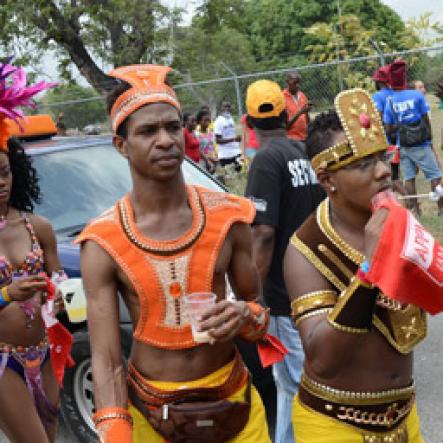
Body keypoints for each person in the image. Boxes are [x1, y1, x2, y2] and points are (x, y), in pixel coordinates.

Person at [76, 64, 273, 443]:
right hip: (151, 414)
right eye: (148, 131)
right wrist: (115, 428)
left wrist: (243, 315)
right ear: (121, 145)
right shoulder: (102, 241)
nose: (165, 139)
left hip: (234, 404)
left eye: (172, 126)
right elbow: (105, 358)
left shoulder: (229, 216)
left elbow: (259, 317)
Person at [284, 88, 425, 442]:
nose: (382, 171)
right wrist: (368, 270)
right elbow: (322, 358)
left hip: (405, 415)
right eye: (363, 164)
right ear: (327, 179)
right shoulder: (306, 249)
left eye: (381, 156)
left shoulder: (394, 220)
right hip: (334, 424)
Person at [245, 79, 325, 443]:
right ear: (284, 112)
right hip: (318, 284)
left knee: (293, 386)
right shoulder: (303, 152)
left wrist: (254, 295)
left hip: (283, 295)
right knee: (297, 383)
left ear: (248, 121)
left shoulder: (265, 161)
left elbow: (262, 233)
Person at [0, 61, 69, 443]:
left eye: (5, 173)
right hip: (2, 358)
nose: (0, 183)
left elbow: (58, 281)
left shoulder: (37, 227)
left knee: (49, 435)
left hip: (42, 350)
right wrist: (7, 293)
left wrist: (56, 299)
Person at [384, 60, 443, 216]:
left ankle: (416, 211)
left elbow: (388, 127)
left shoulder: (390, 101)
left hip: (402, 144)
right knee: (435, 175)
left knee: (409, 178)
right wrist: (428, 137)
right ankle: (441, 209)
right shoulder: (416, 96)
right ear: (404, 79)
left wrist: (400, 127)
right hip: (421, 143)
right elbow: (425, 118)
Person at [371, 65, 407, 197]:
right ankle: (407, 200)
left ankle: (410, 201)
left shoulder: (378, 96)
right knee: (396, 173)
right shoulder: (395, 93)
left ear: (379, 82)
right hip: (399, 138)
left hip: (386, 141)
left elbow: (378, 116)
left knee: (392, 176)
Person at [214, 101, 242, 172]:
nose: (227, 108)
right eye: (225, 106)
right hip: (225, 155)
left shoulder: (231, 119)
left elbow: (232, 135)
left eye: (228, 106)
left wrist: (238, 138)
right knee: (230, 178)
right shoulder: (219, 121)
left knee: (240, 174)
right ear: (221, 108)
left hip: (236, 152)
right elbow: (218, 140)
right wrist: (233, 139)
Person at [283, 71, 311, 142]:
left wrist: (306, 112)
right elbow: (285, 126)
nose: (298, 85)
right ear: (287, 82)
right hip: (291, 139)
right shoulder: (282, 98)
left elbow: (307, 120)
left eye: (299, 82)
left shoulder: (302, 95)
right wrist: (300, 113)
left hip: (304, 137)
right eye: (295, 83)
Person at [195, 108, 217, 173]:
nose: (207, 122)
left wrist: (215, 156)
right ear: (199, 121)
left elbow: (212, 147)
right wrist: (208, 158)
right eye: (205, 120)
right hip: (202, 162)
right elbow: (198, 150)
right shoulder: (196, 134)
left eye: (208, 120)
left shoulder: (211, 132)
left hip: (213, 161)